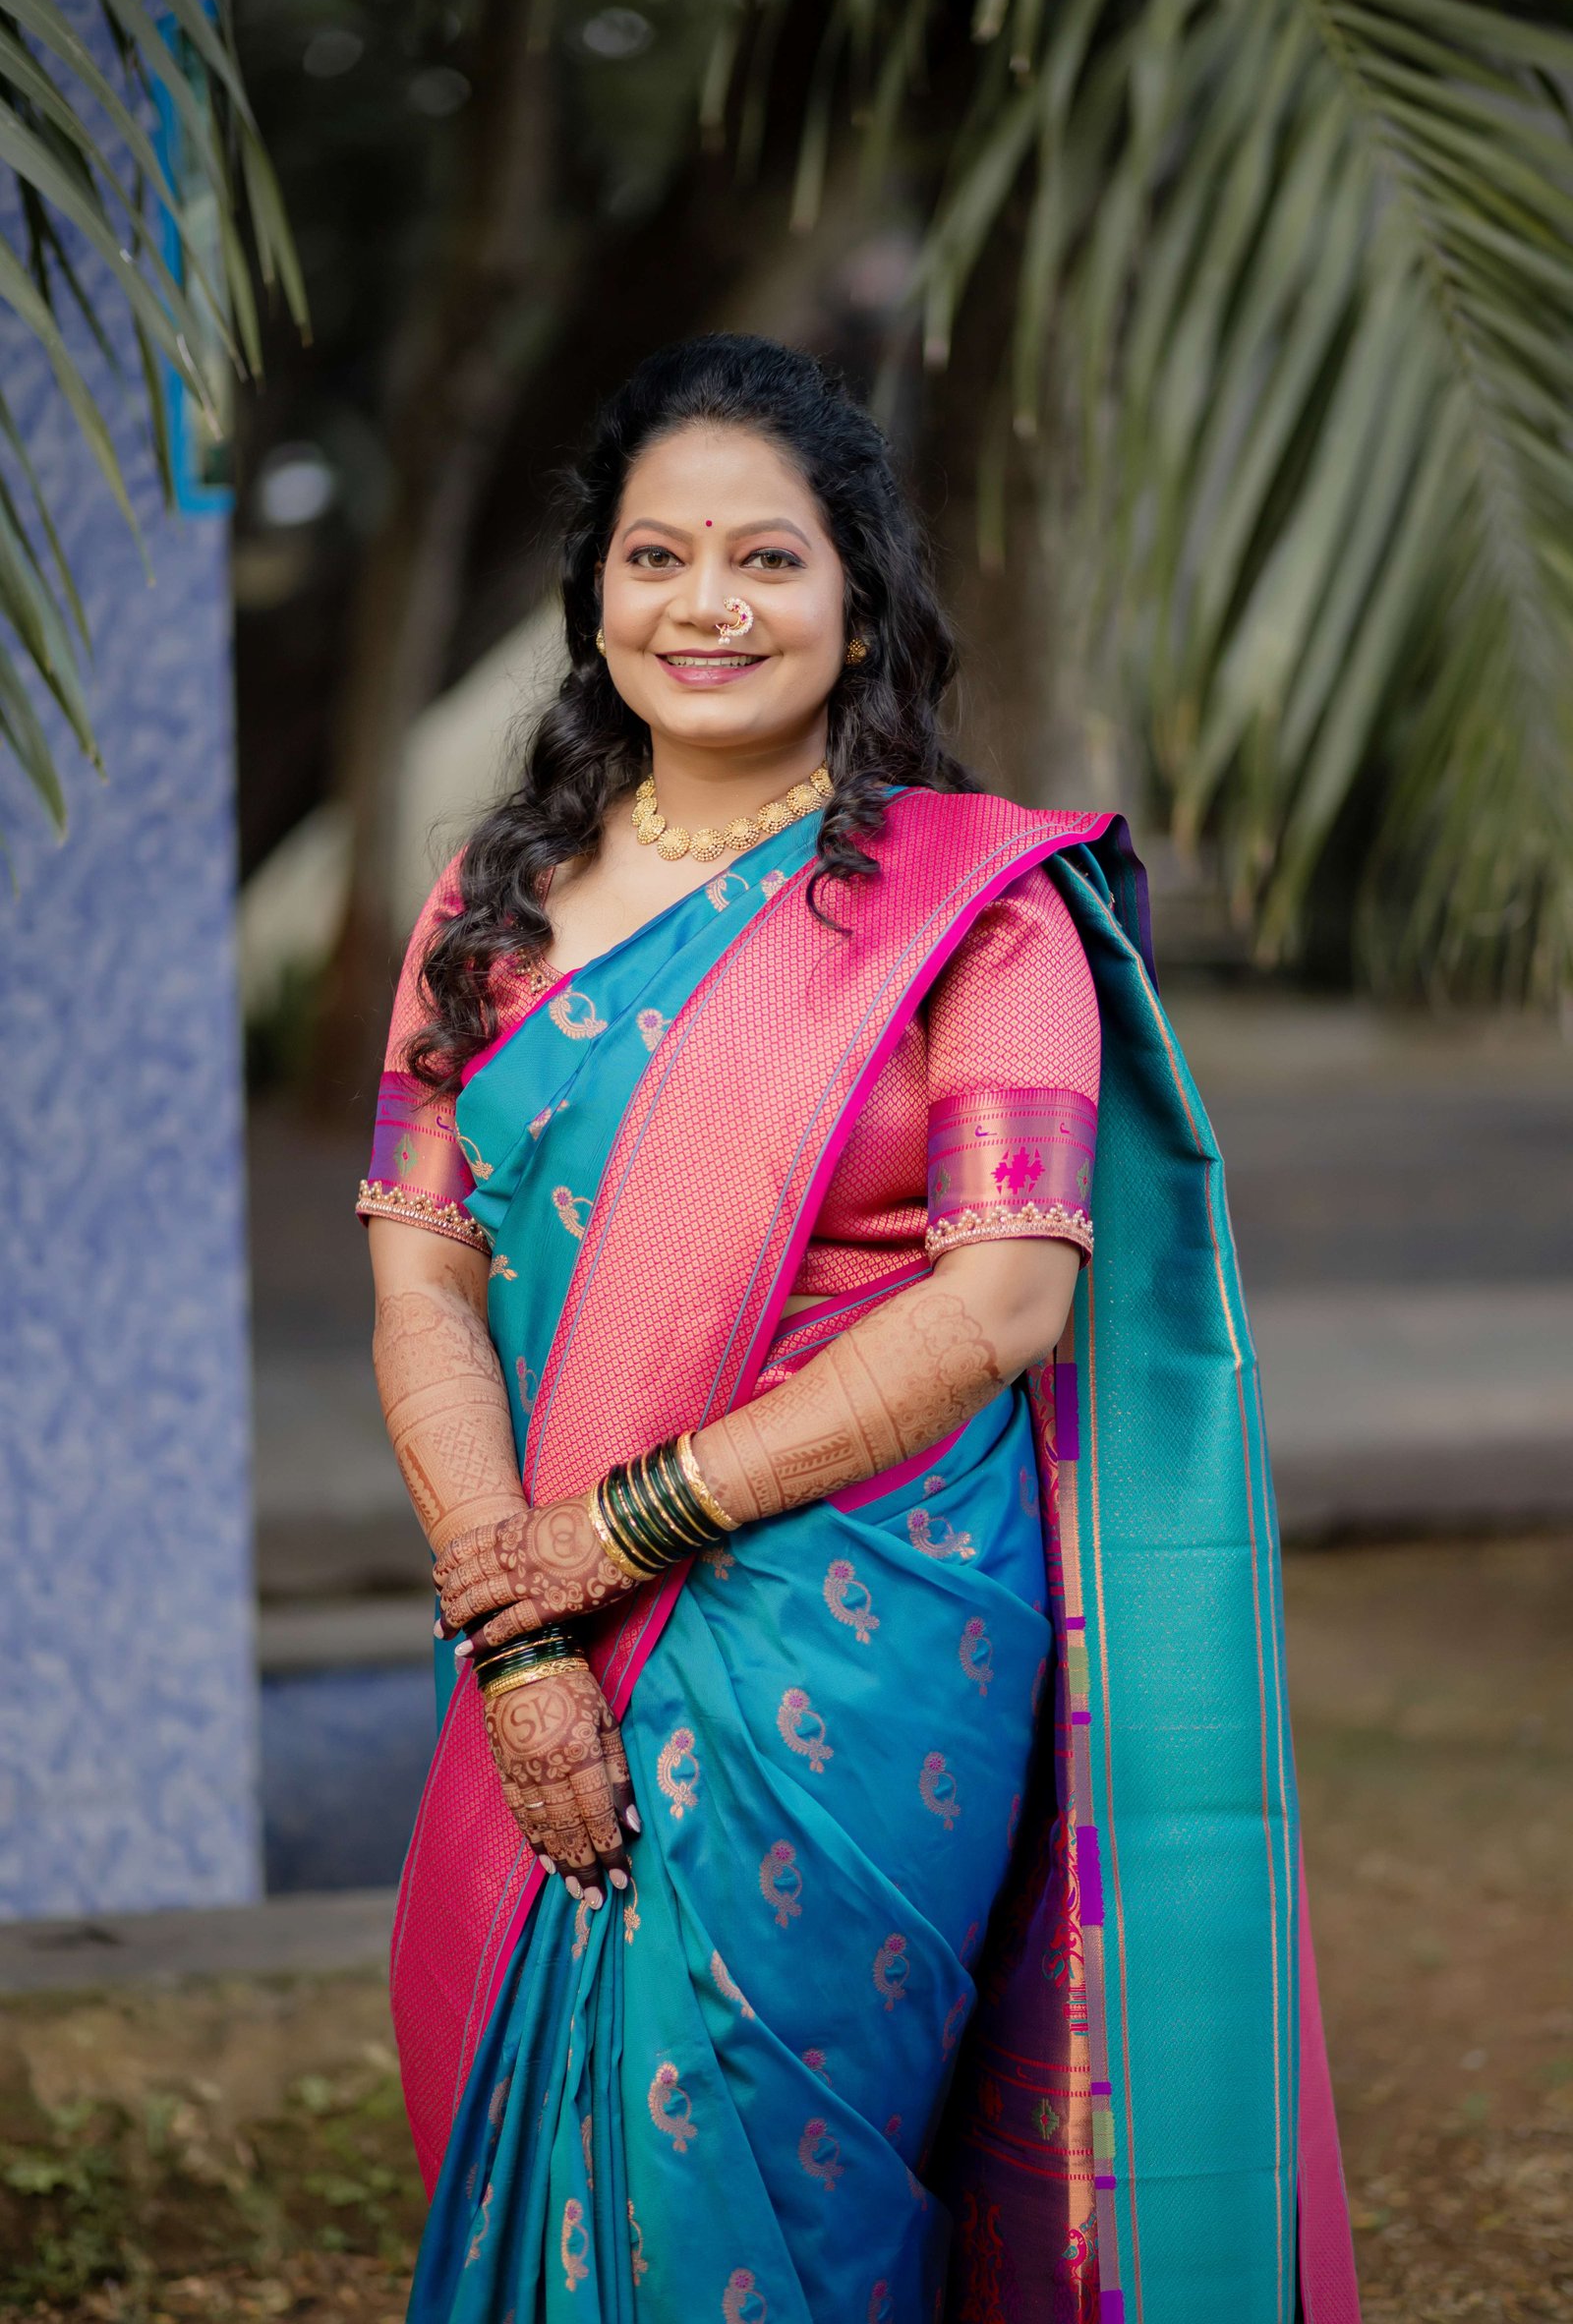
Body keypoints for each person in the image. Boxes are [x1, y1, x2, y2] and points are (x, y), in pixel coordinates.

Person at [359, 334, 1360, 2324]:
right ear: (593, 597)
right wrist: (522, 1628)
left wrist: (612, 1532)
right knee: (575, 2126)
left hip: (866, 1608)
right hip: (550, 1601)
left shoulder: (976, 912)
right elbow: (423, 1274)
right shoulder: (488, 906)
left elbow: (1005, 1300)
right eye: (656, 558)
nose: (706, 607)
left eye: (768, 559)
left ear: (859, 598)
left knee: (775, 2139)